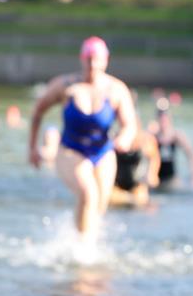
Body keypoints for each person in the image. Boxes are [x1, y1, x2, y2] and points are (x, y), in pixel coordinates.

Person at [28, 36, 137, 240]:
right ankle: (81, 249)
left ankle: (81, 243)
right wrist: (32, 148)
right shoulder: (65, 85)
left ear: (106, 60)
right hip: (71, 150)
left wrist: (124, 137)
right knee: (88, 194)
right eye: (88, 59)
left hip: (103, 152)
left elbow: (130, 124)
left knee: (98, 208)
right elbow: (37, 112)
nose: (92, 64)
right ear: (81, 59)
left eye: (96, 59)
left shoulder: (116, 89)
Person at [112, 90, 162, 208]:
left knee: (140, 198)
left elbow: (154, 158)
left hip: (137, 186)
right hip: (117, 186)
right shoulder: (115, 138)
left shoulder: (145, 139)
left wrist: (152, 174)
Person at [148, 96, 193, 190]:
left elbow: (191, 155)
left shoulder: (176, 135)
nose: (163, 119)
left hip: (171, 179)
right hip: (156, 179)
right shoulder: (153, 135)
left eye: (165, 116)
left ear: (169, 117)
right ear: (157, 118)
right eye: (160, 116)